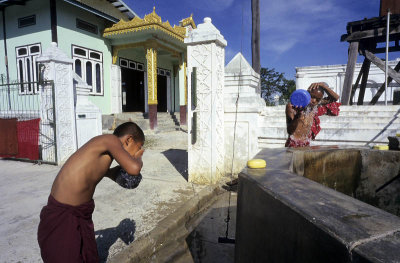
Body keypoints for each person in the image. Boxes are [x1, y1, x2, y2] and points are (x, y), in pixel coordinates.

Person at [37, 122, 145, 262]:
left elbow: (114, 174)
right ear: (129, 140)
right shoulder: (109, 140)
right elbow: (134, 168)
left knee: (86, 255)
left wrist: (127, 178)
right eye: (138, 147)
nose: (137, 152)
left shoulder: (105, 156)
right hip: (62, 213)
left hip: (80, 213)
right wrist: (138, 157)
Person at [285, 82, 340, 148]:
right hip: (293, 144)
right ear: (307, 94)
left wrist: (323, 86)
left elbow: (335, 98)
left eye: (318, 99)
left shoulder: (315, 105)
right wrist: (298, 116)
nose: (314, 101)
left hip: (306, 143)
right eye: (312, 96)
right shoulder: (293, 106)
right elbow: (290, 131)